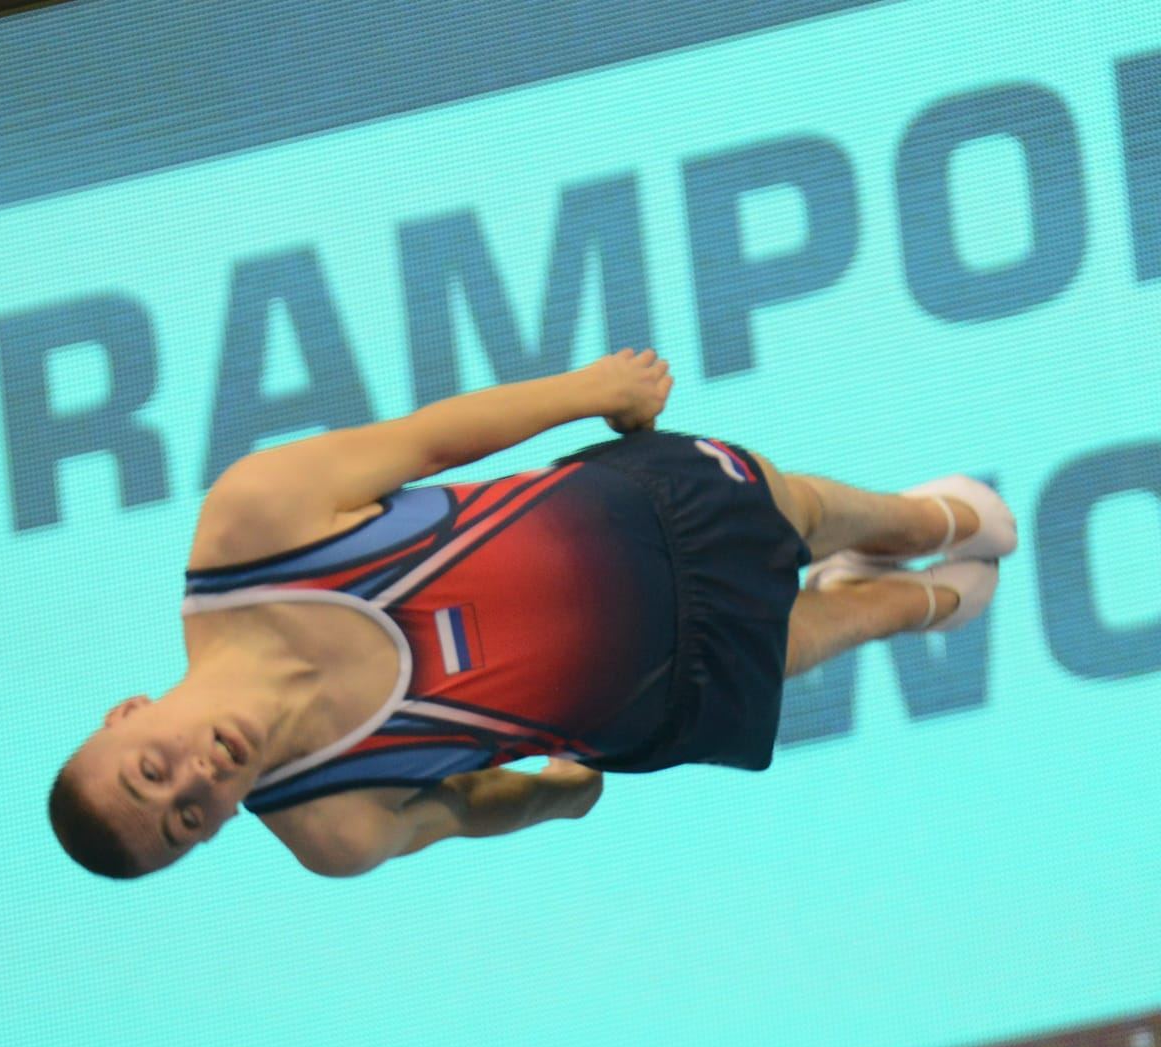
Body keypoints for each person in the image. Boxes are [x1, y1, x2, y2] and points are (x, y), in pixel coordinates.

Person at [49, 348, 1016, 879]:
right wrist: (556, 796)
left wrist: (584, 392)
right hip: (645, 694)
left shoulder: (247, 534)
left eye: (150, 769)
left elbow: (424, 442)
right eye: (184, 821)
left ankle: (923, 517)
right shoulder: (330, 826)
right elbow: (461, 812)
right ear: (210, 834)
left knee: (804, 509)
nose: (193, 784)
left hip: (644, 511)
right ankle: (908, 603)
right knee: (809, 636)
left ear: (127, 712)